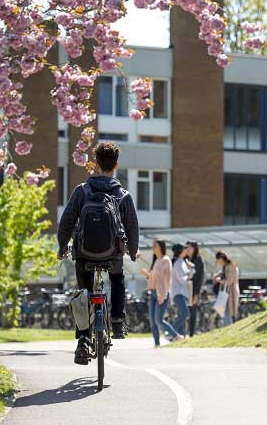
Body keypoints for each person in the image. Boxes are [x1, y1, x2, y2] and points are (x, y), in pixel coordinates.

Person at [57, 141, 140, 365]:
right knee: (117, 278)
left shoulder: (82, 191)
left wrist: (63, 247)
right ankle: (117, 322)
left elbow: (66, 222)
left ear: (95, 164)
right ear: (116, 165)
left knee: (83, 292)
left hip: (84, 255)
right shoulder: (123, 195)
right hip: (112, 256)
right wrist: (133, 252)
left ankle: (83, 339)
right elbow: (132, 227)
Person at [140, 240, 182, 346]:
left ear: (161, 247)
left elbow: (167, 279)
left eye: (155, 246)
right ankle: (157, 344)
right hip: (153, 293)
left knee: (158, 320)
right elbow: (155, 278)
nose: (153, 247)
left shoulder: (165, 260)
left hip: (161, 293)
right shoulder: (157, 260)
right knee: (153, 321)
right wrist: (147, 275)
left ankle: (176, 336)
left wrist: (162, 295)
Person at [213, 251, 239, 326]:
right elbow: (223, 272)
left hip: (231, 292)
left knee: (229, 311)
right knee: (226, 310)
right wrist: (216, 276)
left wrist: (219, 280)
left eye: (218, 261)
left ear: (221, 259)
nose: (218, 263)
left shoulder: (231, 266)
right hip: (226, 292)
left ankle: (229, 326)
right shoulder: (226, 266)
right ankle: (228, 326)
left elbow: (229, 281)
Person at [170, 244, 191, 337]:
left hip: (182, 293)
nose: (186, 251)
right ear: (180, 252)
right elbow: (181, 279)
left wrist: (188, 271)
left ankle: (180, 336)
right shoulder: (178, 263)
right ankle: (170, 332)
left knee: (181, 315)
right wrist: (190, 272)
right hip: (178, 293)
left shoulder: (181, 262)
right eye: (184, 250)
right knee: (185, 314)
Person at [185, 241, 204, 337]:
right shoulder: (187, 259)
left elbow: (200, 278)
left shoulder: (198, 260)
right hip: (186, 288)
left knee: (192, 312)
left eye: (188, 247)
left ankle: (191, 333)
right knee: (185, 311)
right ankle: (185, 332)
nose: (186, 249)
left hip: (194, 289)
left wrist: (196, 293)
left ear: (194, 248)